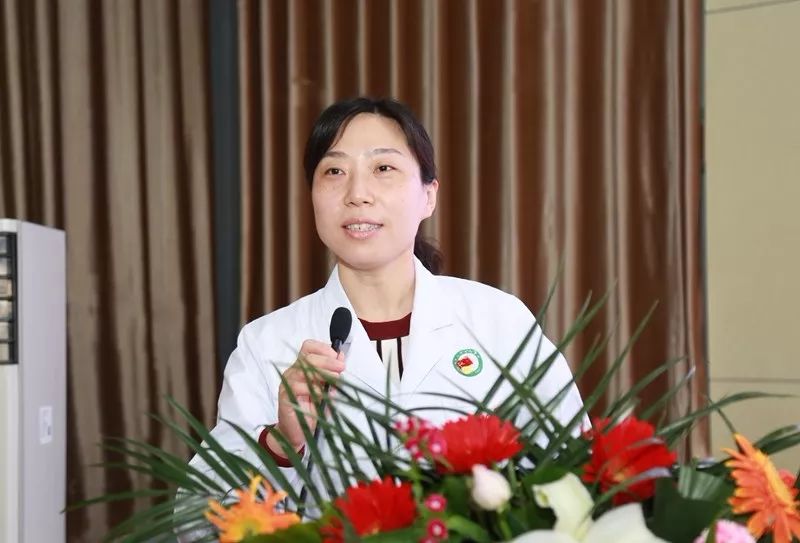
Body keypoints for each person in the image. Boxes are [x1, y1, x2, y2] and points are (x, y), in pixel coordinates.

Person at [188, 97, 584, 512]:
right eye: (334, 171)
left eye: (383, 169)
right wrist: (281, 442)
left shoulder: (498, 320)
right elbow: (196, 519)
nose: (357, 194)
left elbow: (576, 471)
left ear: (428, 196)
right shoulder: (267, 343)